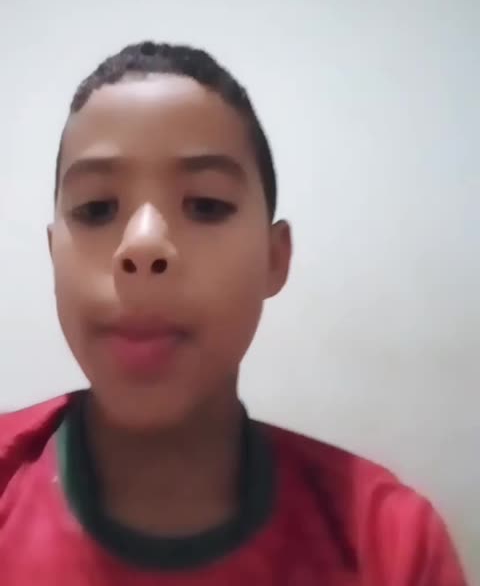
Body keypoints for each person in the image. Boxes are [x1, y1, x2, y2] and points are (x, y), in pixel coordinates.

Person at [0, 41, 467, 585]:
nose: (143, 246)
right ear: (53, 257)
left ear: (274, 259)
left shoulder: (390, 546)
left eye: (206, 205)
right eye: (97, 208)